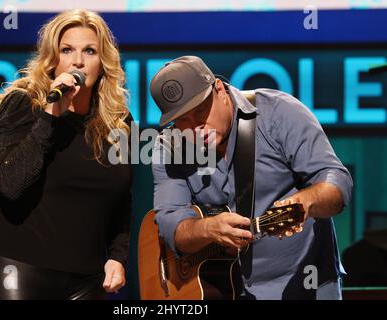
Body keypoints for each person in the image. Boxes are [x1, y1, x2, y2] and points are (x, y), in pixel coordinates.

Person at [150, 56, 353, 300]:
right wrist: (208, 229)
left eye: (201, 112)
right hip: (226, 289)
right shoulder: (169, 148)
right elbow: (172, 228)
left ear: (219, 89)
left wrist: (306, 201)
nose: (196, 128)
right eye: (183, 121)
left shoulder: (279, 113)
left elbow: (337, 184)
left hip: (304, 284)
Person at [0, 10, 132, 300]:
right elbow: (11, 185)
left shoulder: (118, 122)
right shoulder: (21, 105)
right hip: (13, 266)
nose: (77, 61)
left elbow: (121, 198)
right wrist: (50, 117)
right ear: (53, 60)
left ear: (102, 62)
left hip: (86, 278)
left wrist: (118, 255)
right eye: (66, 50)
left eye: (89, 51)